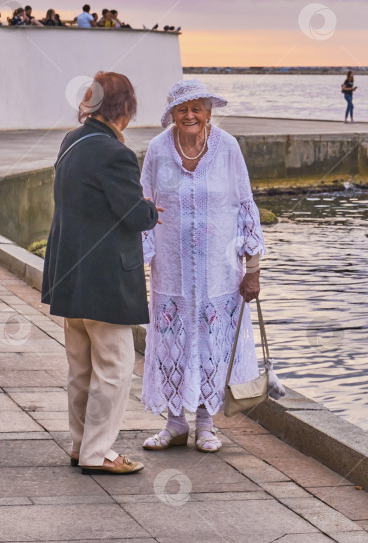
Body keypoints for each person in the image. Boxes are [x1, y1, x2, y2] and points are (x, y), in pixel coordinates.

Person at [41, 71, 160, 475]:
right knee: (114, 368)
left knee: (81, 368)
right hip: (105, 280)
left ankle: (81, 445)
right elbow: (133, 213)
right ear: (124, 107)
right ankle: (98, 452)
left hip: (69, 276)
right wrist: (149, 209)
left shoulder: (72, 141)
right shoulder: (114, 152)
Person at [140, 78, 265, 454]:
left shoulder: (227, 148)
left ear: (208, 112)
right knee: (173, 343)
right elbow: (143, 206)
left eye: (197, 108)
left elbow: (245, 205)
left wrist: (253, 266)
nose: (190, 115)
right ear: (172, 114)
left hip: (219, 272)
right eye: (183, 109)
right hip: (172, 271)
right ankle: (175, 425)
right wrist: (137, 261)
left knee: (212, 345)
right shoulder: (158, 150)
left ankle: (207, 424)